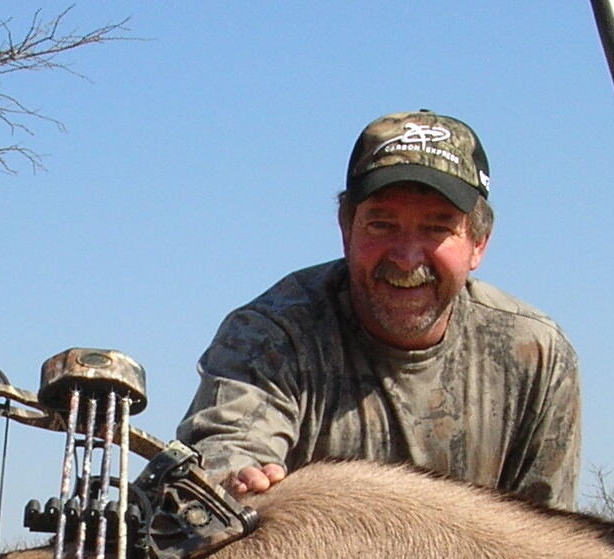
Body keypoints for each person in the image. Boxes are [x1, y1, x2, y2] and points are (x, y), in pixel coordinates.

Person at [176, 110, 581, 509]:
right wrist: (234, 480)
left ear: (478, 243)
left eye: (437, 228)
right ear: (345, 229)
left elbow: (550, 539)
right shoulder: (272, 334)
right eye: (382, 225)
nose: (406, 259)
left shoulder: (537, 356)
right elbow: (228, 452)